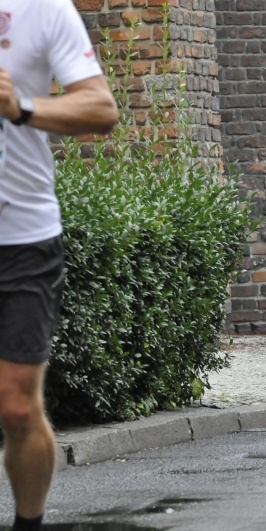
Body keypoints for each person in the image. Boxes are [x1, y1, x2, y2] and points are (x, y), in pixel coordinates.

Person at [0, 3, 119, 531]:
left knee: (17, 408)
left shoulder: (41, 7)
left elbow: (100, 108)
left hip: (22, 236)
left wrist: (20, 105)